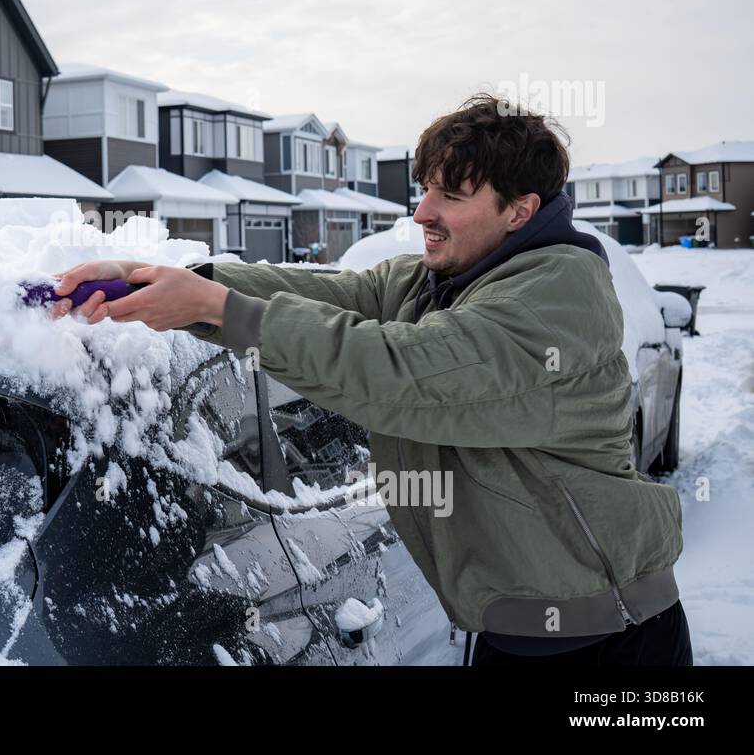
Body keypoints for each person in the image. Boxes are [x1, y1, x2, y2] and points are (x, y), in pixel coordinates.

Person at [52, 93, 692, 665]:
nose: (422, 213)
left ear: (520, 210)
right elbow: (339, 296)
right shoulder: (448, 281)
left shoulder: (553, 300)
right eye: (426, 189)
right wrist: (172, 279)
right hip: (514, 630)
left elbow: (398, 374)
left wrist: (214, 309)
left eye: (451, 196)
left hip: (610, 642)